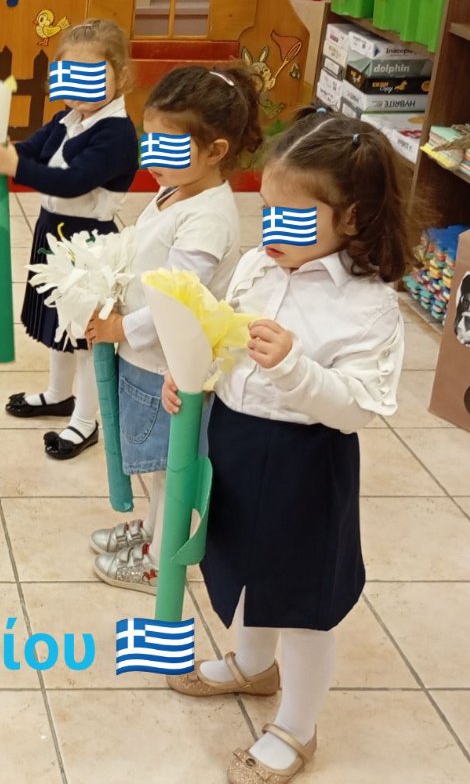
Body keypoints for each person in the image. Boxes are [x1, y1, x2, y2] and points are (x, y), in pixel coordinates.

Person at [161, 109, 419, 784]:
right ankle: (253, 665)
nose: (273, 230)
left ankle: (298, 726)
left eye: (295, 217)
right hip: (237, 443)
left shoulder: (367, 305)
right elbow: (223, 337)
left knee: (302, 603)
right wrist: (193, 370)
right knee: (240, 567)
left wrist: (294, 368)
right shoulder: (257, 266)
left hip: (307, 464)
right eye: (268, 210)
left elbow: (358, 406)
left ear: (352, 217)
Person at [83, 65, 261, 591]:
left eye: (168, 145)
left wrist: (121, 329)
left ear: (216, 150)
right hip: (147, 360)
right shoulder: (176, 191)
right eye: (149, 140)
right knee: (158, 467)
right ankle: (153, 532)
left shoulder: (207, 218)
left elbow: (178, 303)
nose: (151, 156)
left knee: (170, 468)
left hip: (168, 367)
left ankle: (162, 560)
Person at [0, 18, 139, 460]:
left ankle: (85, 421)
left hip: (89, 245)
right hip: (53, 232)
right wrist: (2, 152)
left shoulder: (117, 135)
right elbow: (33, 148)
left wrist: (14, 167)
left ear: (119, 76)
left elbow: (73, 181)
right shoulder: (68, 119)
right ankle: (58, 394)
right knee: (57, 327)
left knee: (84, 336)